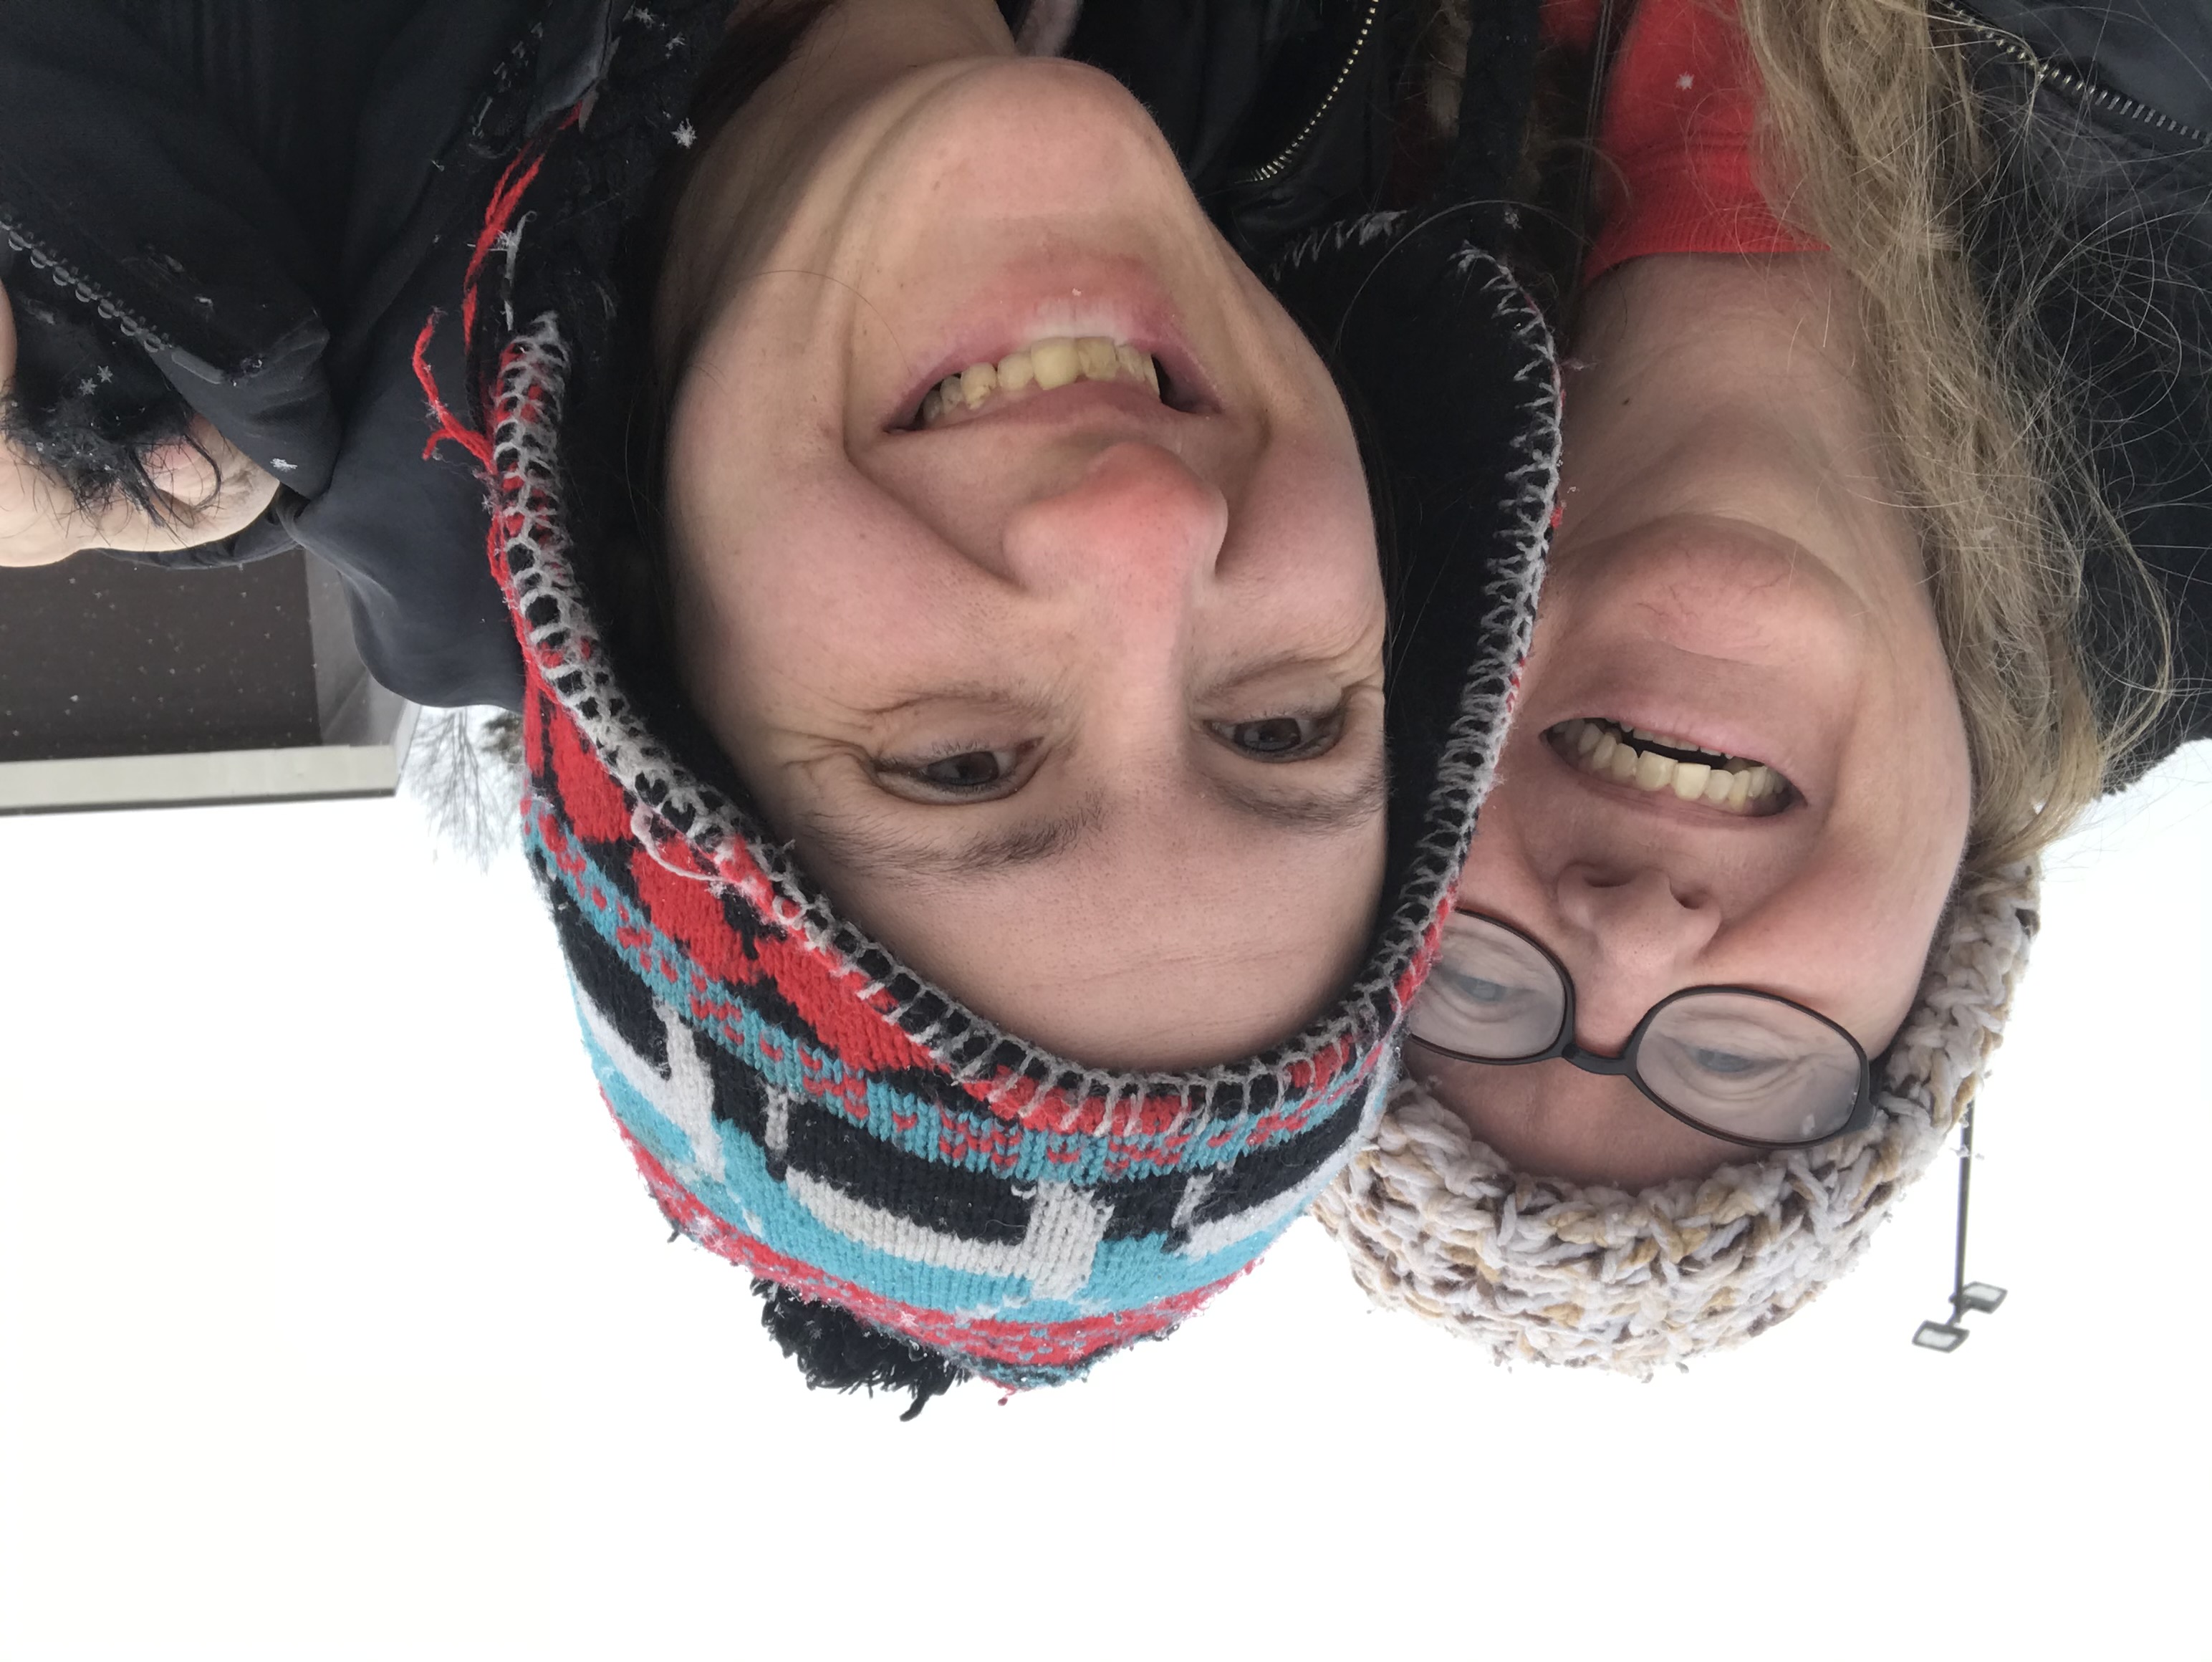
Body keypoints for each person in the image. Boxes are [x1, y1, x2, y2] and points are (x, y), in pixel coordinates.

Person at [4, 0, 1566, 1406]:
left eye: (959, 762)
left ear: (637, 627)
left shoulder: (150, 184)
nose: (1143, 534)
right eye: (1283, 726)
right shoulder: (1310, 66)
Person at [1317, 0, 2211, 1370]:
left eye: (1476, 995)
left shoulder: (1284, 147)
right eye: (1737, 1065)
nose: (1627, 939)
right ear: (1946, 947)